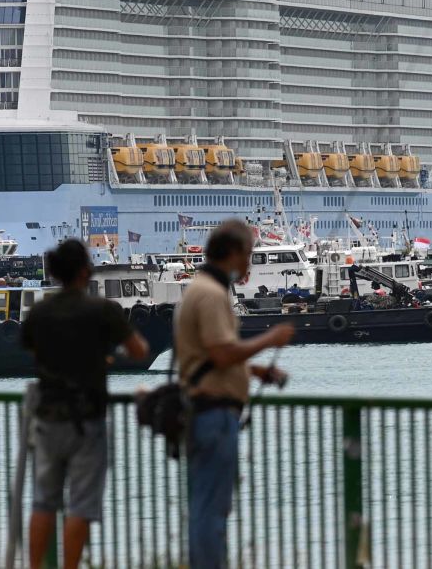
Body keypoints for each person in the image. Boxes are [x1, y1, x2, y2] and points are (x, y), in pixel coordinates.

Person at [20, 239, 148, 569]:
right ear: (84, 271)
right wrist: (103, 356)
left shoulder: (39, 312)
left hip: (47, 417)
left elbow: (33, 352)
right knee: (80, 505)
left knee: (43, 502)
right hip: (87, 419)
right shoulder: (101, 310)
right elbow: (138, 351)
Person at [175, 220, 295, 569]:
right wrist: (270, 340)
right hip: (213, 414)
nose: (250, 263)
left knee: (205, 506)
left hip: (203, 411)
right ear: (232, 252)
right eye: (249, 255)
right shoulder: (212, 295)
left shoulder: (198, 289)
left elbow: (208, 356)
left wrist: (256, 372)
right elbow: (222, 353)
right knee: (211, 511)